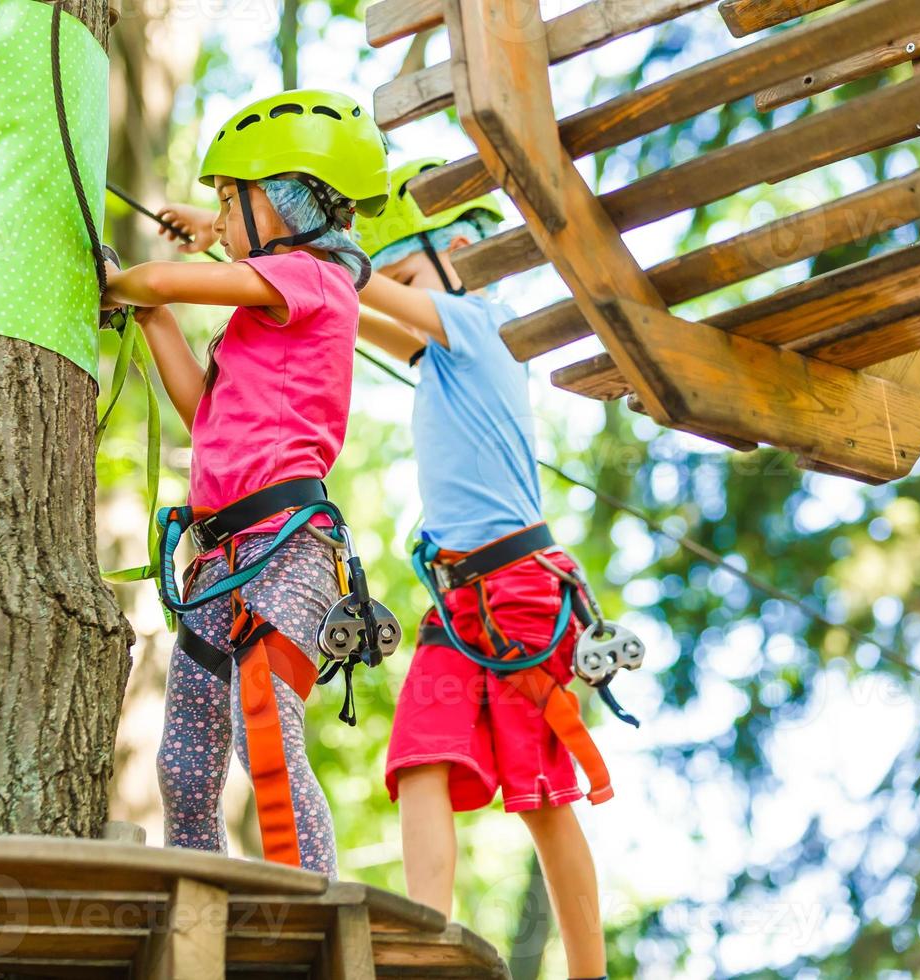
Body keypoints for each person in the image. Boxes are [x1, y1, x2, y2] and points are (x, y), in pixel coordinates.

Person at [101, 90, 390, 876]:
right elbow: (204, 413)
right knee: (184, 767)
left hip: (288, 547)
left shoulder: (318, 281)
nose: (222, 221)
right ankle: (204, 903)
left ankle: (310, 905)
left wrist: (133, 282)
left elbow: (169, 278)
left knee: (264, 726)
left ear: (287, 202)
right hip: (220, 561)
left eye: (231, 201)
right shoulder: (258, 319)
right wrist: (150, 313)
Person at [353, 158, 609, 978]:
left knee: (541, 796)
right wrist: (252, 257)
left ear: (462, 248)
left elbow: (360, 289)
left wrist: (317, 251)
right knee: (419, 757)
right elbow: (355, 304)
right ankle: (426, 940)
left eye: (407, 272)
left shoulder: (478, 319)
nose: (397, 288)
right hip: (458, 603)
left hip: (521, 589)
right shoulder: (439, 350)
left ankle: (588, 973)